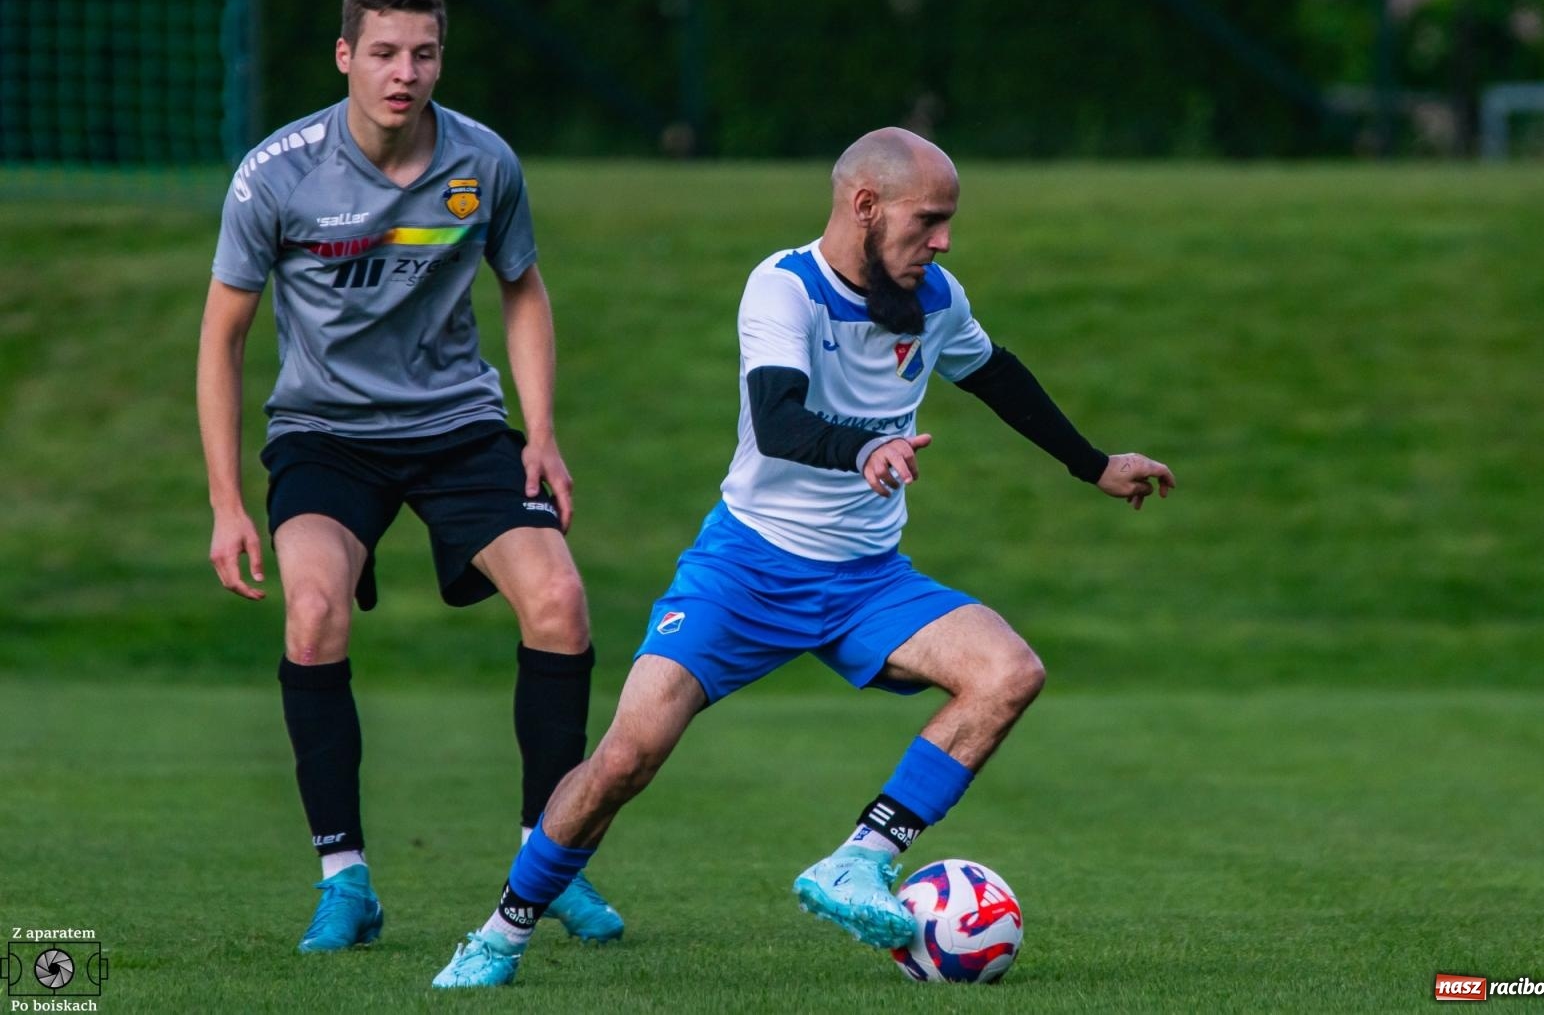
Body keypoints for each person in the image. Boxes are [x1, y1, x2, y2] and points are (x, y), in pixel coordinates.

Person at [431, 126, 1175, 988]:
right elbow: (779, 419)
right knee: (626, 759)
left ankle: (860, 857)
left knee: (1009, 669)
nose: (942, 241)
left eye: (948, 223)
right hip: (745, 571)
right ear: (865, 206)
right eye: (928, 219)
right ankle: (500, 931)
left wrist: (1095, 465)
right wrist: (864, 450)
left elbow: (997, 375)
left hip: (867, 579)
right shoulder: (784, 287)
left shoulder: (935, 297)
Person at [196, 0, 622, 954]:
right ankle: (345, 878)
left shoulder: (484, 162)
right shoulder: (276, 173)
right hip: (325, 435)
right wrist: (227, 501)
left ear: (441, 58)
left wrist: (541, 428)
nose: (404, 72)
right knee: (312, 611)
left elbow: (523, 289)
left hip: (459, 428)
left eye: (422, 53)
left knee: (559, 602)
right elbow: (220, 338)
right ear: (346, 55)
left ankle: (545, 862)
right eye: (383, 52)